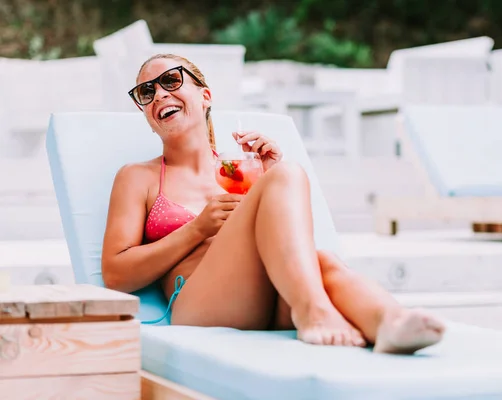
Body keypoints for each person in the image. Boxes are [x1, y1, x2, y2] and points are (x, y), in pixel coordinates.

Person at [101, 53, 445, 354]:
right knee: (287, 178)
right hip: (201, 304)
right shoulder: (138, 177)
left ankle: (390, 322)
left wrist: (266, 179)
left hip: (270, 294)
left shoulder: (239, 169)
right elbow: (116, 273)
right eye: (147, 92)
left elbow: (274, 243)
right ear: (146, 113)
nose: (160, 93)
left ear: (205, 96)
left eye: (171, 81)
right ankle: (314, 311)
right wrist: (197, 229)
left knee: (320, 255)